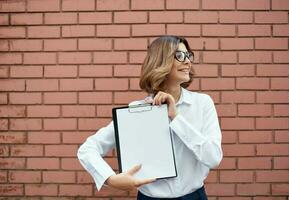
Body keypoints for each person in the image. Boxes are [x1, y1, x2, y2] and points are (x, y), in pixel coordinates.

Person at [77, 35, 223, 200]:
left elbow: (213, 158)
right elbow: (87, 149)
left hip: (194, 196)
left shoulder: (202, 104)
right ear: (161, 62)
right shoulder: (137, 111)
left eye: (188, 55)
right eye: (180, 56)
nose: (188, 61)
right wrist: (110, 179)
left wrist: (176, 117)